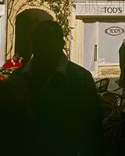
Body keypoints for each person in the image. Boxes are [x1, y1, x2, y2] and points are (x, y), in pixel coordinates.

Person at [11, 20, 103, 156]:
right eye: (40, 44)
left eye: (48, 45)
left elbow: (92, 126)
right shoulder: (18, 77)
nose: (44, 50)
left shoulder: (80, 78)